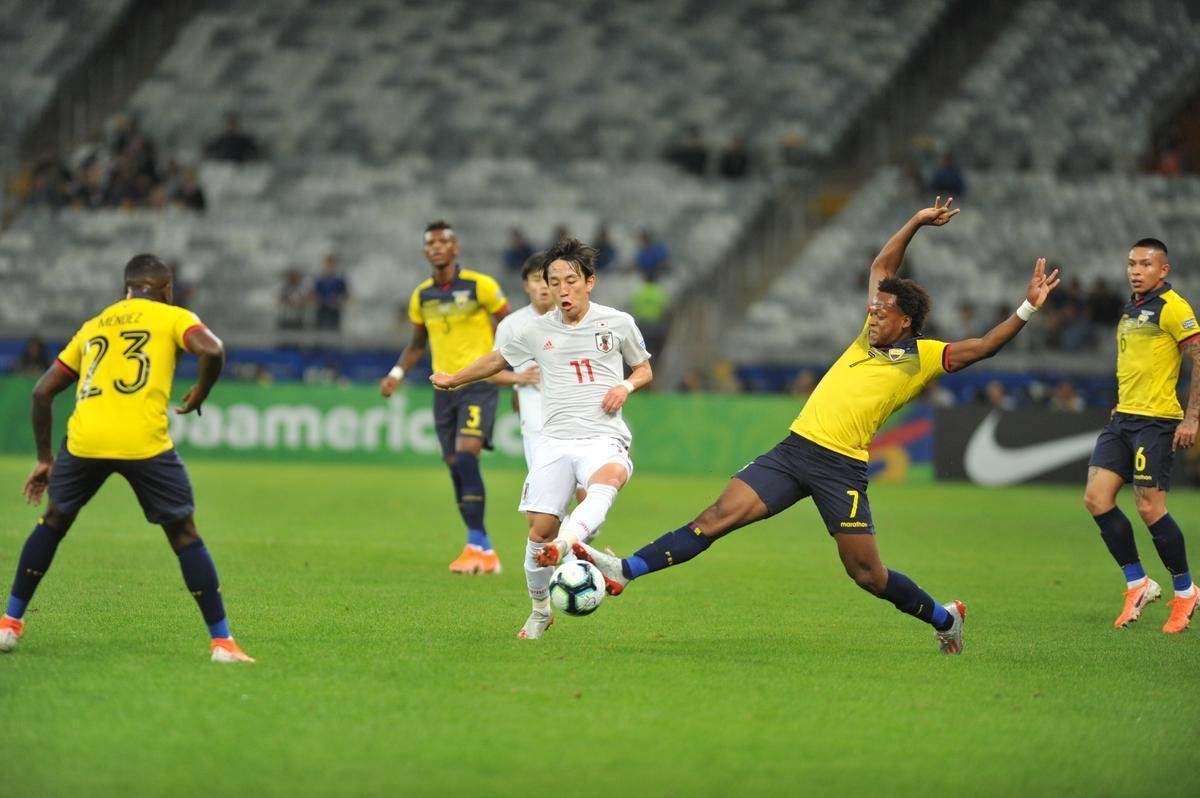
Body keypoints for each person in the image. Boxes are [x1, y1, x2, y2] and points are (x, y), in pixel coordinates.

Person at [571, 197, 1060, 655]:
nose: (872, 313)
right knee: (715, 517)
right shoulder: (866, 339)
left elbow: (986, 345)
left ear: (907, 321)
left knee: (867, 574)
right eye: (872, 307)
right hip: (795, 450)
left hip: (841, 470)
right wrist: (913, 223)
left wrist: (1028, 308)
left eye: (883, 311)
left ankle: (944, 618)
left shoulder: (926, 357)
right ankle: (624, 570)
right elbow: (881, 268)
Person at [0, 254, 253, 663]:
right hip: (143, 442)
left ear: (126, 289)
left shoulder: (95, 324)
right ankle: (222, 643)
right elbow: (213, 350)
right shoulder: (172, 316)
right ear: (166, 291)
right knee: (184, 534)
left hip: (85, 439)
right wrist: (200, 393)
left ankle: (8, 625)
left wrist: (46, 458)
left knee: (53, 522)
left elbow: (42, 392)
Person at [431, 238, 653, 639]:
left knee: (609, 477)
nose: (561, 290)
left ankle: (567, 546)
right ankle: (539, 610)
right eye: (554, 282)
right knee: (538, 532)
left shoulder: (617, 323)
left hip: (602, 435)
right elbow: (497, 359)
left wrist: (626, 387)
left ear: (590, 282)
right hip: (554, 441)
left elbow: (643, 370)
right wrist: (454, 379)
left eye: (570, 280)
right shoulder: (535, 330)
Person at [380, 221, 530, 575]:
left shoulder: (482, 287)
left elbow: (512, 327)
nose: (436, 247)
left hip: (478, 383)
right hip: (442, 388)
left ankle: (475, 542)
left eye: (443, 241)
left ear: (455, 248)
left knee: (466, 454)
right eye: (430, 242)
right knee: (454, 465)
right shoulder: (422, 297)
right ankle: (484, 550)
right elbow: (417, 345)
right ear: (425, 251)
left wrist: (514, 371)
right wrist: (396, 374)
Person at [1082, 238, 1199, 633]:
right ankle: (1139, 583)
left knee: (1150, 507)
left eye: (1146, 264)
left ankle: (1185, 592)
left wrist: (1192, 417)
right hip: (1124, 418)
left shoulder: (1173, 307)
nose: (1135, 270)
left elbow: (1199, 357)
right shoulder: (1131, 308)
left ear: (1163, 270)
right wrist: (1121, 400)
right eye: (1131, 263)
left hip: (1157, 421)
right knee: (1096, 498)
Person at [312, 254, 349, 331]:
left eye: (331, 264)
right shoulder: (320, 279)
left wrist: (338, 298)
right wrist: (319, 299)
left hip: (334, 309)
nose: (329, 266)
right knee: (320, 329)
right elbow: (314, 293)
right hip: (322, 309)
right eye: (327, 264)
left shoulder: (339, 279)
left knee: (334, 330)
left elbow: (345, 294)